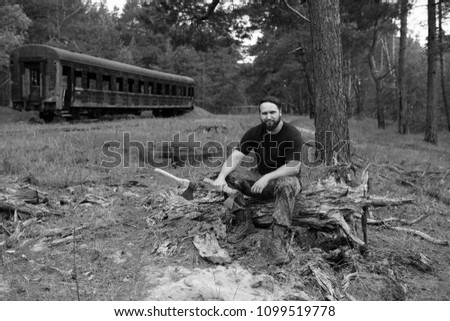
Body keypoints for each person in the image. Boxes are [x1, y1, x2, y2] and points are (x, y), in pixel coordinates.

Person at [212, 96, 304, 265]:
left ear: (280, 112)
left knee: (288, 183)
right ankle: (243, 221)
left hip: (285, 181)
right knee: (229, 178)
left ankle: (277, 239)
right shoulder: (255, 133)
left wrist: (268, 177)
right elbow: (237, 156)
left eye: (272, 112)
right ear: (260, 115)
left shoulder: (292, 134)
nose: (268, 117)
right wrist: (220, 177)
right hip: (260, 179)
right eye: (264, 113)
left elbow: (294, 167)